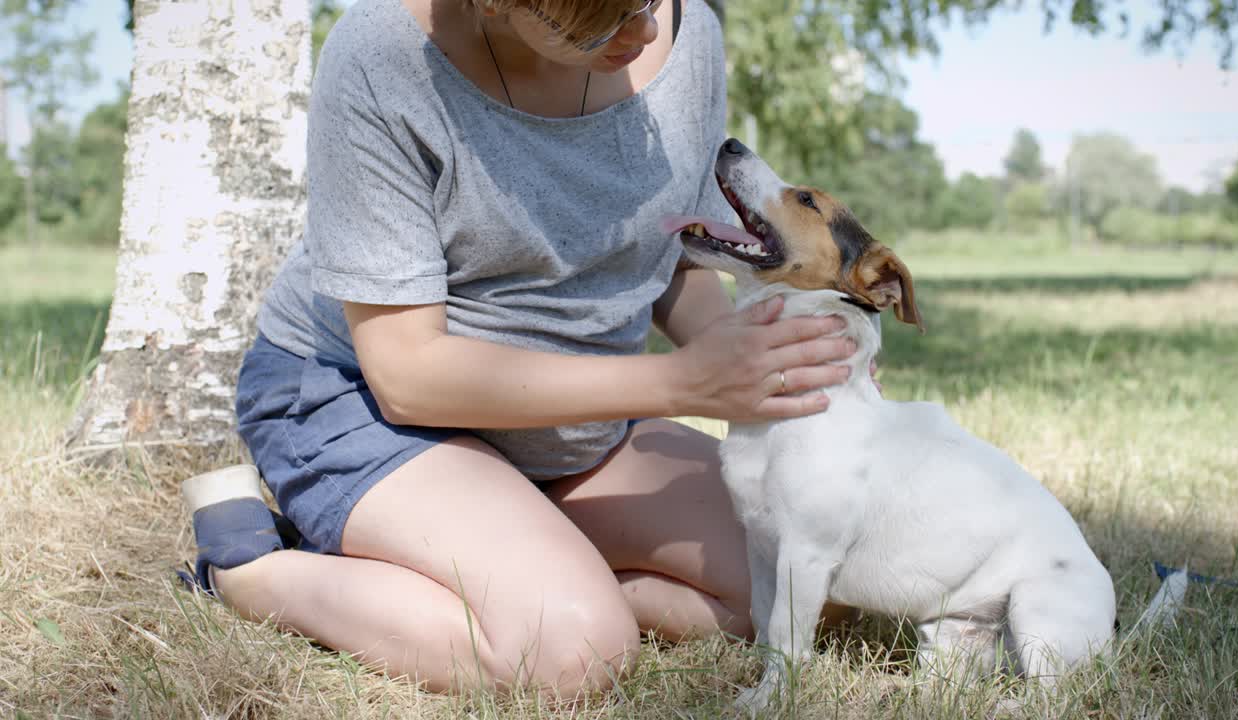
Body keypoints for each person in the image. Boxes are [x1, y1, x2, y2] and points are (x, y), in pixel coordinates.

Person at [180, 0, 859, 698]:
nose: (647, 31)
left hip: (575, 425)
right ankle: (252, 570)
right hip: (371, 408)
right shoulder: (379, 57)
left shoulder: (692, 38)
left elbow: (665, 257)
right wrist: (683, 382)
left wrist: (764, 358)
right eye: (602, 18)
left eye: (650, 0)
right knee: (572, 656)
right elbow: (406, 373)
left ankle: (528, 561)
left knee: (811, 581)